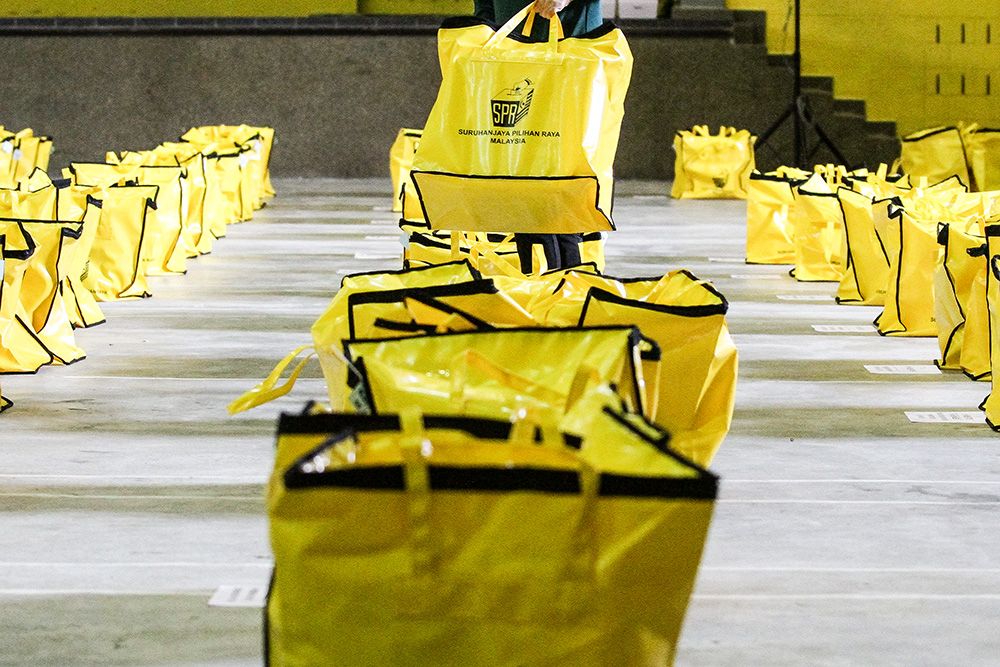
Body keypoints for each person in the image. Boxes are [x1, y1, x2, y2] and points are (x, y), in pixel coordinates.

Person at [473, 0, 603, 273]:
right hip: (510, 52)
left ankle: (568, 277)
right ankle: (539, 279)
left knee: (565, 172)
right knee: (519, 174)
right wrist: (483, 29)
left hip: (574, 48)